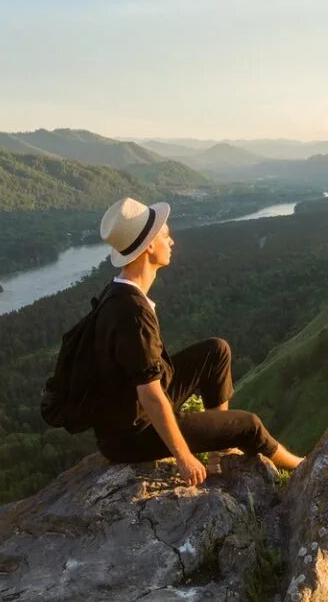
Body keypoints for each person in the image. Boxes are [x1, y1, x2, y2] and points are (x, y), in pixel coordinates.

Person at [88, 197, 304, 486]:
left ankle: (219, 450)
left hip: (126, 413)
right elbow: (150, 394)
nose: (172, 241)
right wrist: (183, 456)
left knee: (216, 351)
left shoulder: (118, 294)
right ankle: (303, 467)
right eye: (166, 235)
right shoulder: (132, 313)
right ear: (150, 246)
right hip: (132, 434)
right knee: (249, 425)